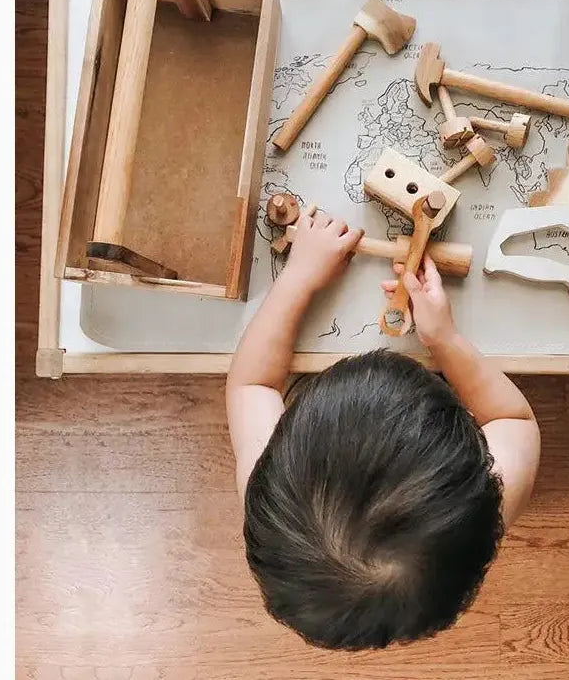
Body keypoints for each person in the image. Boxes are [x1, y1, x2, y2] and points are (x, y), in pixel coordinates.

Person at [226, 210, 540, 651]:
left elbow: (252, 382)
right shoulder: (494, 496)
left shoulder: (270, 497)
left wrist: (298, 277)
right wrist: (444, 339)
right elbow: (512, 419)